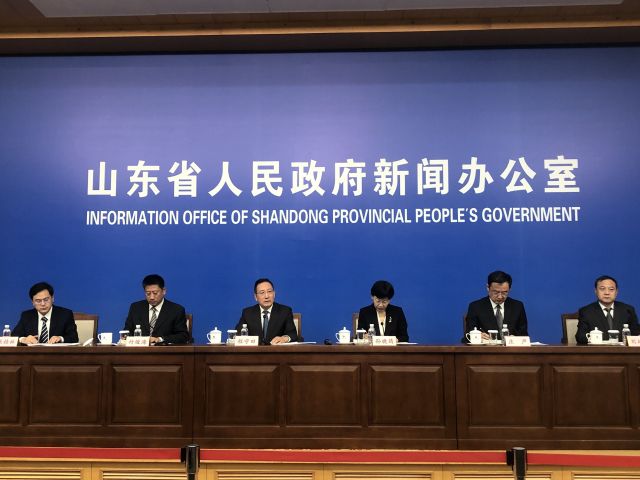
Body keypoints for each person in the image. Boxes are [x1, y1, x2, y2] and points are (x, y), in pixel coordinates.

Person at [123, 274, 190, 344]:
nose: (151, 297)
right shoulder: (136, 307)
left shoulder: (176, 310)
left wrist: (159, 339)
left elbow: (183, 336)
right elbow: (127, 332)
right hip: (140, 349)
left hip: (164, 349)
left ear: (164, 291)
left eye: (155, 293)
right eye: (148, 293)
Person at [464, 270, 528, 342]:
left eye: (504, 292)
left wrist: (516, 338)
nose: (500, 297)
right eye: (496, 292)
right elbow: (468, 335)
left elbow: (524, 335)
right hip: (487, 348)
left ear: (509, 289)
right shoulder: (476, 307)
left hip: (510, 348)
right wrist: (477, 336)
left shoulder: (517, 306)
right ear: (488, 288)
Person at [576, 275, 640, 344]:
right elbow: (580, 337)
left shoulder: (628, 310)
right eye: (602, 289)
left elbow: (636, 334)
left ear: (616, 292)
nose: (607, 293)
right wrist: (596, 338)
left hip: (622, 350)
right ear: (596, 291)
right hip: (598, 349)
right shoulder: (586, 311)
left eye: (611, 289)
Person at [12, 282, 79, 344]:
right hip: (33, 352)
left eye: (46, 299)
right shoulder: (27, 316)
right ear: (33, 302)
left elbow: (74, 337)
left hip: (56, 352)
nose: (43, 304)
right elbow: (14, 335)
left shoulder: (65, 314)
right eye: (38, 301)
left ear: (52, 299)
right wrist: (24, 339)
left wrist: (60, 338)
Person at [236, 278, 298, 344]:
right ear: (255, 297)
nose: (266, 296)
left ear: (274, 294)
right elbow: (238, 334)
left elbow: (293, 334)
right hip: (255, 350)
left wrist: (284, 338)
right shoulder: (247, 313)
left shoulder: (285, 311)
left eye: (269, 291)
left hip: (276, 350)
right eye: (262, 292)